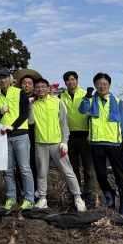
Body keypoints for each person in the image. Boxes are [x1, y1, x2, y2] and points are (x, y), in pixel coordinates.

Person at [79, 73, 123, 217]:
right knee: (101, 173)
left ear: (109, 85)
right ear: (95, 85)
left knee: (119, 173)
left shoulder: (117, 101)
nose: (102, 86)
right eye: (99, 84)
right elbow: (82, 110)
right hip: (96, 142)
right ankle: (110, 198)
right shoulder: (90, 100)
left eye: (104, 84)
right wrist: (87, 97)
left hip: (114, 143)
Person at [31, 78, 86, 212]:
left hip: (56, 143)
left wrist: (64, 142)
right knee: (42, 173)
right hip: (40, 143)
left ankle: (78, 197)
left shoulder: (57, 102)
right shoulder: (34, 104)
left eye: (43, 86)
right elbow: (31, 122)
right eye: (37, 87)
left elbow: (64, 123)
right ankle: (43, 198)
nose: (40, 89)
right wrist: (29, 108)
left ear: (48, 88)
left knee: (68, 171)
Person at [0, 68, 34, 211]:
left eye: (5, 77)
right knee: (7, 170)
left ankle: (29, 199)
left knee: (24, 168)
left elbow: (25, 113)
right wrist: (0, 112)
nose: (3, 80)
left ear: (10, 79)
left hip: (20, 134)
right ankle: (11, 197)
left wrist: (13, 126)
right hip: (4, 137)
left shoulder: (19, 92)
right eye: (0, 78)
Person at [60, 71, 95, 205]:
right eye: (68, 80)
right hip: (69, 136)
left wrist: (91, 134)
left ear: (77, 80)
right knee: (72, 167)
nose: (71, 82)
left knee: (88, 166)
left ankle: (89, 192)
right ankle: (76, 192)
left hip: (85, 135)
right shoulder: (61, 97)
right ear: (65, 83)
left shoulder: (86, 95)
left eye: (73, 79)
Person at [16, 74, 38, 196]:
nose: (27, 86)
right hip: (20, 132)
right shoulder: (17, 96)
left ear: (34, 86)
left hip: (35, 134)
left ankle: (35, 190)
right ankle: (23, 189)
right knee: (20, 163)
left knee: (33, 163)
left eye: (30, 83)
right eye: (24, 83)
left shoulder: (38, 97)